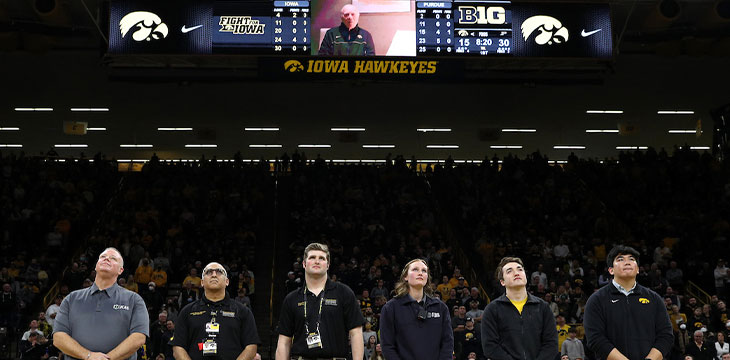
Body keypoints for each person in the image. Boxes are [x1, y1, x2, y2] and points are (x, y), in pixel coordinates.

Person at [53, 247, 149, 360]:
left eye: (113, 258)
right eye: (103, 257)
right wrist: (88, 356)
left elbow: (138, 338)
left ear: (120, 270)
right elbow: (58, 338)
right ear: (96, 266)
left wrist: (106, 359)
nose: (106, 259)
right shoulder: (71, 299)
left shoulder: (134, 300)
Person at [275, 243, 365, 360]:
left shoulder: (344, 293)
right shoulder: (292, 298)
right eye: (312, 257)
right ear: (304, 264)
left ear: (328, 265)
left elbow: (356, 333)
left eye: (321, 258)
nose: (317, 261)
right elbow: (284, 341)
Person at [584, 245, 674, 360]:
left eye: (631, 259)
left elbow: (665, 336)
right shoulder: (596, 300)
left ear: (637, 269)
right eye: (620, 259)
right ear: (611, 270)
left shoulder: (654, 299)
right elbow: (595, 338)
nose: (627, 262)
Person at [172, 262, 259, 360]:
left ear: (227, 281)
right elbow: (178, 347)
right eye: (209, 272)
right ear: (202, 282)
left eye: (219, 272)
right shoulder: (187, 312)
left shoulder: (243, 311)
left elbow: (251, 347)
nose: (214, 275)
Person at [481, 256, 558, 360]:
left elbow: (551, 344)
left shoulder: (543, 307)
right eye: (509, 271)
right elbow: (490, 347)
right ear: (502, 282)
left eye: (520, 269)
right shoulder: (492, 310)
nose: (516, 273)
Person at [379, 259, 453, 360]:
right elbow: (387, 346)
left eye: (424, 271)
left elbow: (447, 343)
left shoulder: (441, 307)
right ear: (405, 276)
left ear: (427, 277)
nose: (420, 273)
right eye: (415, 269)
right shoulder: (390, 308)